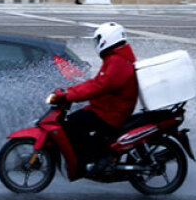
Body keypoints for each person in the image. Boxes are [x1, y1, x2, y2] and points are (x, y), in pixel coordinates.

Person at [46, 22, 138, 177]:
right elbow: (96, 83)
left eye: (98, 40)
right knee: (76, 121)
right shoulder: (117, 57)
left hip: (111, 113)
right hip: (107, 108)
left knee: (71, 125)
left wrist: (69, 96)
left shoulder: (117, 61)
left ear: (107, 39)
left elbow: (99, 86)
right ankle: (94, 156)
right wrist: (69, 91)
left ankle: (99, 159)